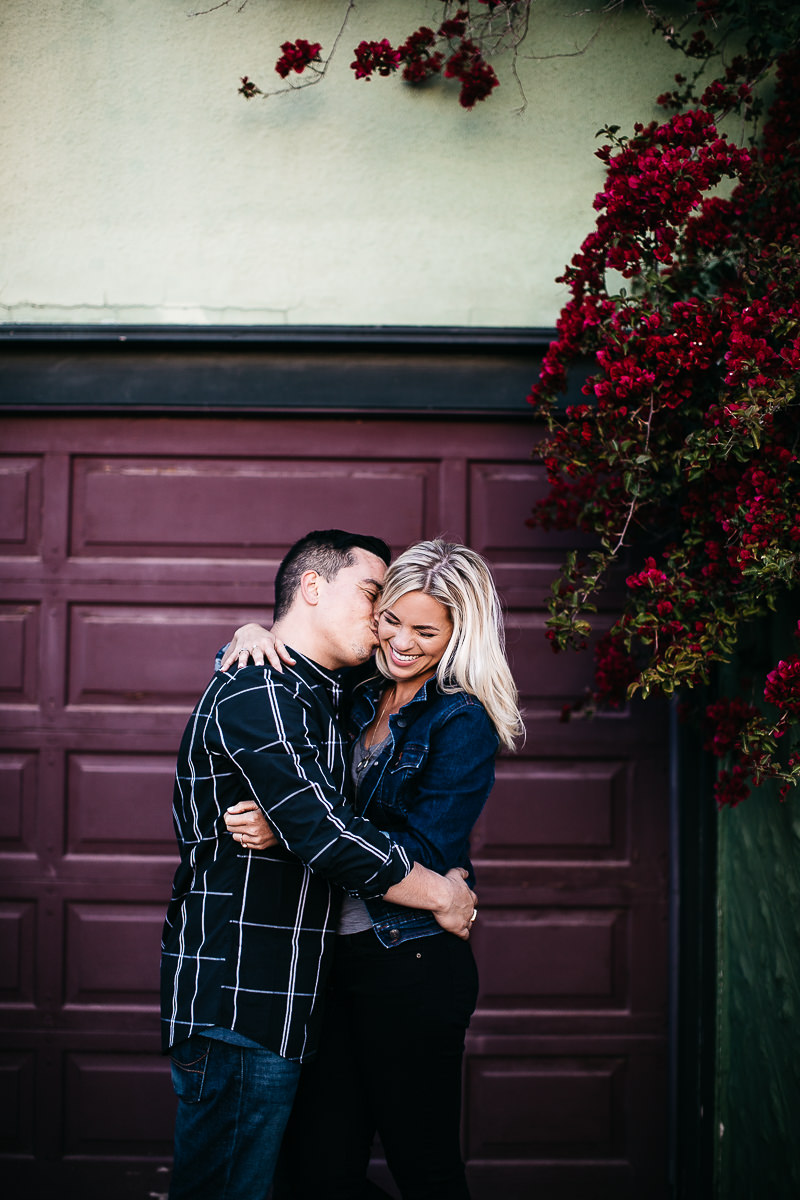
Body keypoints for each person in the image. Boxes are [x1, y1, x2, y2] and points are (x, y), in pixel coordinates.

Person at [161, 530, 478, 1200]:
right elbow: (323, 828)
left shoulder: (353, 698)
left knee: (367, 1171)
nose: (386, 626)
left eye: (411, 619)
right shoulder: (281, 692)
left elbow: (325, 818)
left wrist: (293, 831)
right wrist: (441, 895)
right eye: (378, 601)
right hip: (248, 994)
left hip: (324, 984)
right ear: (313, 587)